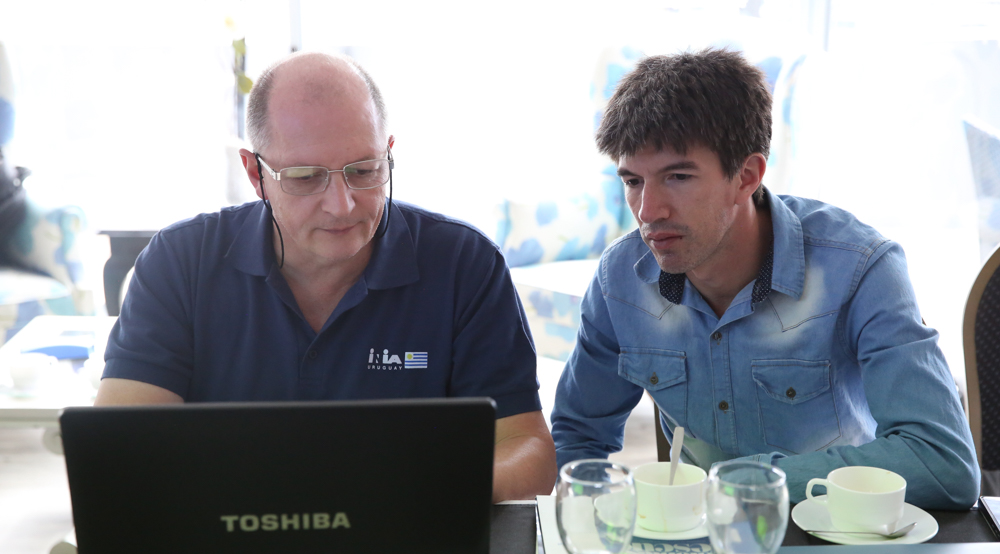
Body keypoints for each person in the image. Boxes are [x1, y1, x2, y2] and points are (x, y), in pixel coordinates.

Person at [95, 52, 557, 502]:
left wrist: (430, 491)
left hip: (409, 544)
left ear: (389, 154)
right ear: (256, 174)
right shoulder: (180, 263)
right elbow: (121, 447)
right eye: (304, 177)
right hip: (229, 548)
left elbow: (529, 449)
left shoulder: (463, 264)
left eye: (364, 171)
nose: (343, 204)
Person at [551, 48, 980, 509]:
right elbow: (577, 437)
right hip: (702, 544)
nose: (648, 211)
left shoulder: (859, 268)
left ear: (747, 175)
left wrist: (746, 484)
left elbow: (944, 464)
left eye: (677, 176)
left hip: (843, 537)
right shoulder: (621, 279)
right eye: (633, 181)